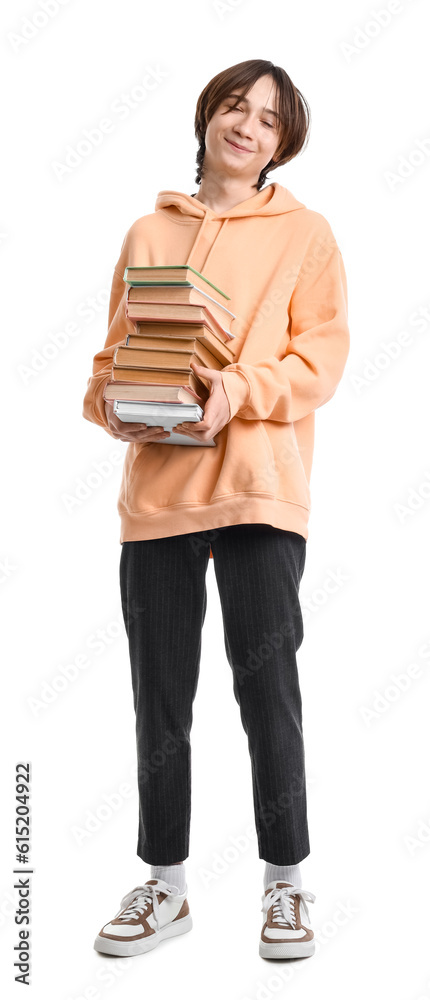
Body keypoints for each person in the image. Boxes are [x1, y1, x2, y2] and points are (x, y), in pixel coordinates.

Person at [83, 58, 350, 961]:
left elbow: (322, 359)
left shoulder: (305, 235)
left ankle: (287, 885)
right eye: (237, 107)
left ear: (284, 144)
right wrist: (113, 403)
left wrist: (235, 388)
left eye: (269, 121)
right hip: (158, 494)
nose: (248, 126)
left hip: (259, 491)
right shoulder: (146, 231)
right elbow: (109, 361)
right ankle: (166, 886)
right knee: (160, 697)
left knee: (265, 688)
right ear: (209, 115)